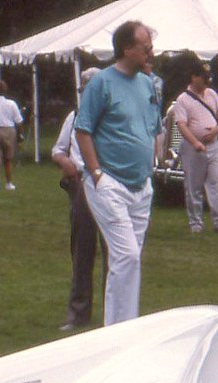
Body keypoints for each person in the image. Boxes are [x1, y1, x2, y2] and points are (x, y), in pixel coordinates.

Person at [75, 20, 162, 326]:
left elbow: (154, 128)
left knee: (128, 262)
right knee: (127, 257)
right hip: (109, 183)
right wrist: (97, 174)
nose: (151, 53)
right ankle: (118, 330)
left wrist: (153, 164)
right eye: (146, 48)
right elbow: (82, 130)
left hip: (141, 186)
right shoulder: (102, 83)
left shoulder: (147, 83)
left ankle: (124, 328)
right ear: (127, 49)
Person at [53, 67, 105, 332]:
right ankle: (78, 314)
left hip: (108, 185)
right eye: (86, 89)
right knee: (82, 251)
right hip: (81, 184)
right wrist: (66, 162)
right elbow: (58, 150)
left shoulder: (111, 117)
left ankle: (114, 314)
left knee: (115, 253)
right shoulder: (74, 117)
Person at [173, 60, 218, 234]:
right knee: (193, 186)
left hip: (214, 145)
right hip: (193, 149)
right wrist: (195, 142)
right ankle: (196, 223)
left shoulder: (212, 94)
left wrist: (217, 129)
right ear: (194, 77)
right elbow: (182, 125)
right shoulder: (182, 100)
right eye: (203, 78)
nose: (206, 82)